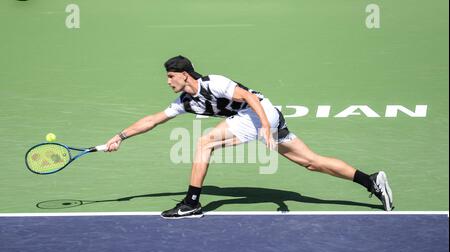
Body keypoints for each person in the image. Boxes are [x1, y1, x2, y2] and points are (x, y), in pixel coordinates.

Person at [105, 55, 393, 218]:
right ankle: (372, 181)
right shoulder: (186, 102)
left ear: (185, 75)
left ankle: (192, 203)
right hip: (255, 120)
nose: (168, 82)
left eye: (171, 76)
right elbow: (153, 120)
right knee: (312, 162)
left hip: (259, 113)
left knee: (205, 142)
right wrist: (120, 136)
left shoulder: (214, 83)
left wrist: (265, 128)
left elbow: (249, 98)